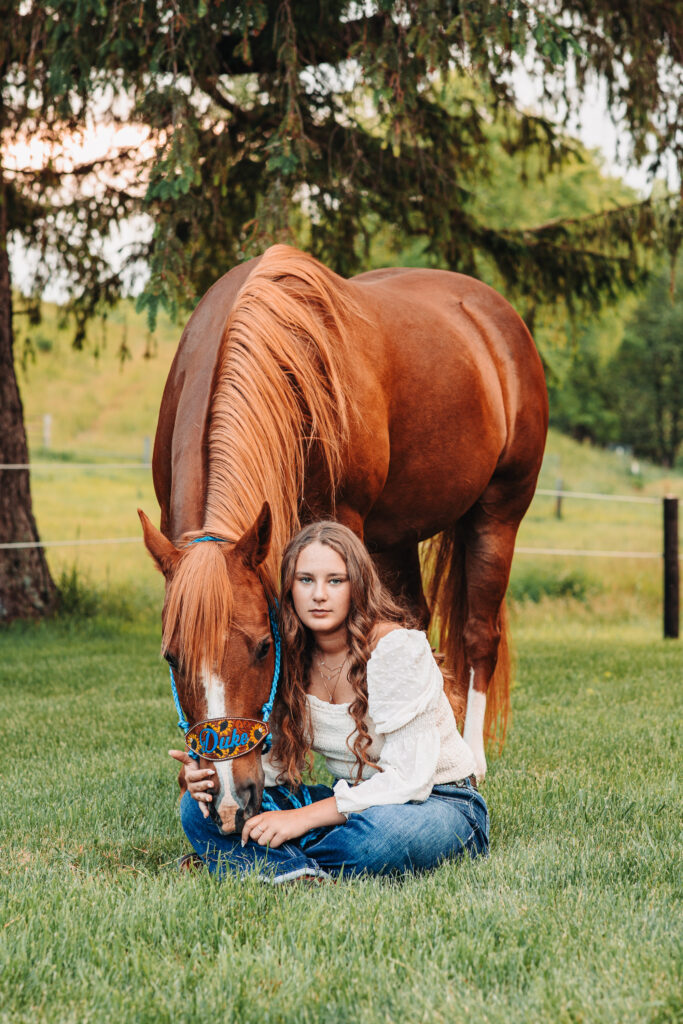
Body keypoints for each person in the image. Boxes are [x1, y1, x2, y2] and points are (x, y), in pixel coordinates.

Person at [176, 521, 489, 881]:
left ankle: (252, 860)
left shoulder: (395, 648)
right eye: (305, 580)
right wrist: (212, 776)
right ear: (289, 588)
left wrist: (298, 820)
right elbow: (272, 768)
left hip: (436, 803)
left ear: (358, 585)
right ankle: (298, 872)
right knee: (194, 809)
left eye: (335, 580)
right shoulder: (287, 658)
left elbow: (411, 781)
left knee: (373, 843)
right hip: (355, 803)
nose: (319, 594)